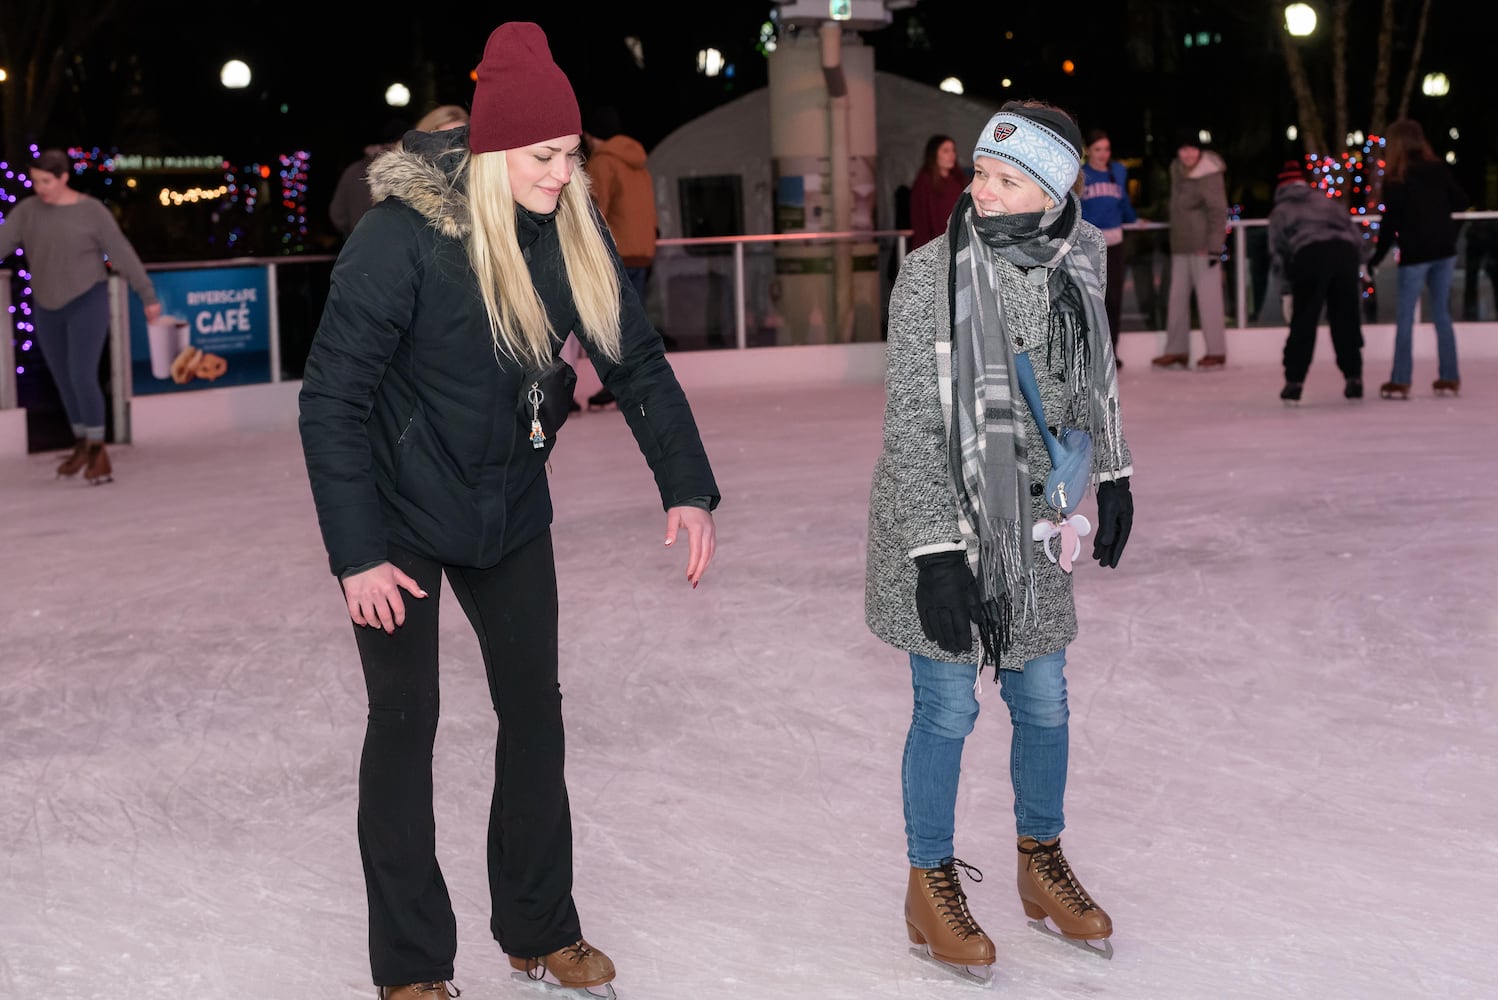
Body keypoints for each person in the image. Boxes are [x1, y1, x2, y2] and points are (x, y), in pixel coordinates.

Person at [297, 22, 720, 1000]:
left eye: (569, 152)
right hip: (399, 516)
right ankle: (411, 967)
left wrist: (687, 484)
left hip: (507, 507)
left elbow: (637, 362)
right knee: (406, 719)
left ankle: (539, 924)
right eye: (543, 155)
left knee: (536, 714)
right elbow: (331, 400)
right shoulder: (397, 240)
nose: (562, 172)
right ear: (491, 152)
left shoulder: (570, 228)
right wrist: (357, 554)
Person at [865, 98, 1134, 979]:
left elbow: (1096, 377)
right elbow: (910, 423)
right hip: (938, 514)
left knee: (1045, 699)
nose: (980, 191)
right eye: (980, 171)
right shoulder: (928, 274)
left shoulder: (1081, 255)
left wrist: (1118, 472)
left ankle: (1039, 862)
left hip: (1035, 519)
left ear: (1053, 194)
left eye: (1005, 179)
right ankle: (928, 878)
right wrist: (936, 553)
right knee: (947, 706)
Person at [0, 147, 162, 484]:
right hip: (46, 304)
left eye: (46, 181)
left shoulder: (91, 212)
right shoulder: (28, 211)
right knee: (62, 378)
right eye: (34, 181)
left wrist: (146, 294)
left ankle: (98, 450)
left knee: (81, 374)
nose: (39, 188)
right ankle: (81, 442)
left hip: (88, 299)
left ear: (64, 177)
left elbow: (121, 252)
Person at [1366, 117, 1469, 399]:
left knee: (1405, 318)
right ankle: (1449, 377)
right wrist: (1449, 232)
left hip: (1415, 254)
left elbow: (1389, 223)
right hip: (1443, 251)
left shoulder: (1397, 178)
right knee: (1442, 316)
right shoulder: (1437, 169)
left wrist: (1375, 258)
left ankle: (1401, 380)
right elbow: (1460, 201)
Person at [1267, 160, 1367, 404]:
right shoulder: (1327, 201)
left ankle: (1294, 382)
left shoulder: (1281, 211)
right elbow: (1355, 235)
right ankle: (1353, 377)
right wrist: (1361, 263)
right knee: (1345, 317)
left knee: (1304, 319)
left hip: (1310, 255)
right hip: (1344, 254)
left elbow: (1278, 254)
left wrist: (1287, 291)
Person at [578, 105, 658, 411]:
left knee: (612, 324)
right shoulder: (639, 163)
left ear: (589, 134)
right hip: (642, 252)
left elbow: (594, 211)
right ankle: (635, 384)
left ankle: (620, 385)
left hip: (616, 253)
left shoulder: (603, 164)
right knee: (631, 323)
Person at [1153, 130, 1228, 370]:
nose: (1188, 154)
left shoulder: (1209, 174)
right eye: (1183, 149)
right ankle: (1176, 350)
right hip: (1180, 245)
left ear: (1200, 150)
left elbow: (1218, 212)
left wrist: (1215, 248)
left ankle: (1216, 351)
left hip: (1203, 248)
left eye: (1192, 149)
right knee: (1176, 301)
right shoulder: (1177, 169)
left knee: (1209, 301)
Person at [1078, 129, 1138, 364]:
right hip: (1089, 246)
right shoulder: (1081, 174)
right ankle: (1091, 353)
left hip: (1115, 245)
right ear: (1088, 151)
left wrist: (1134, 220)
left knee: (1114, 300)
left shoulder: (1118, 171)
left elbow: (1123, 202)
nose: (1103, 154)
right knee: (1093, 299)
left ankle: (1112, 352)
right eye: (1098, 149)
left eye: (1107, 149)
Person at [330, 116, 409, 240]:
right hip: (399, 244)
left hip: (359, 243)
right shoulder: (405, 170)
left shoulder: (353, 170)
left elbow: (337, 215)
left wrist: (353, 232)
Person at [909, 134, 969, 250]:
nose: (952, 155)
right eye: (946, 151)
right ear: (934, 154)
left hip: (960, 244)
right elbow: (920, 222)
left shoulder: (959, 180)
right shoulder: (924, 182)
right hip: (935, 246)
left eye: (953, 150)